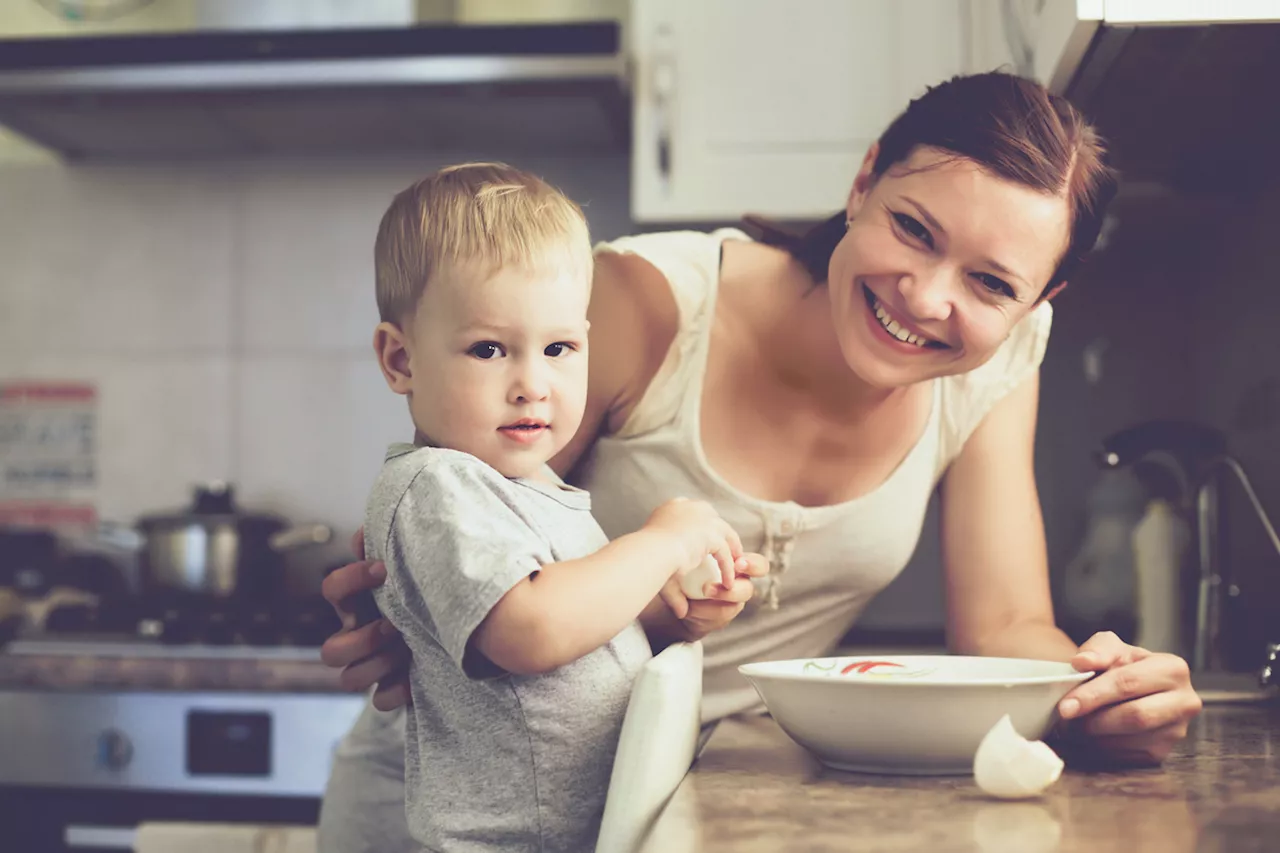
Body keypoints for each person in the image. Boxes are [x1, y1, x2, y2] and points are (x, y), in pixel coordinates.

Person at [317, 73, 1203, 852]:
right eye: (913, 227)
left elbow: (1006, 627)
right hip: (462, 807)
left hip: (658, 805)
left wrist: (1105, 689)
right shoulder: (642, 304)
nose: (929, 297)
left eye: (992, 284)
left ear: (1038, 302)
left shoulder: (1004, 358)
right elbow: (453, 520)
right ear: (863, 182)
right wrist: (395, 615)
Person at [360, 162, 755, 852]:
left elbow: (580, 640)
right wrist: (661, 542)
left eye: (560, 347)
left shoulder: (539, 489)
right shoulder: (437, 485)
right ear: (400, 360)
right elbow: (532, 631)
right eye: (489, 349)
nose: (532, 384)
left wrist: (671, 614)